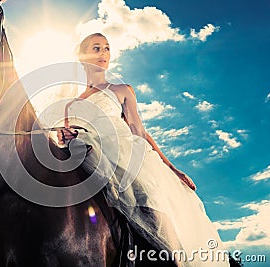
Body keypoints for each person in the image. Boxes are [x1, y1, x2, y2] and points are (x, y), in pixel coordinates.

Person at [57, 33, 229, 266]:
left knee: (150, 205)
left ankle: (167, 260)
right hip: (90, 157)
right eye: (96, 48)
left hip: (125, 154)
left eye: (107, 48)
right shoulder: (71, 104)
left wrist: (172, 168)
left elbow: (139, 133)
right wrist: (64, 137)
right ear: (82, 55)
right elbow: (68, 139)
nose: (103, 54)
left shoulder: (121, 89)